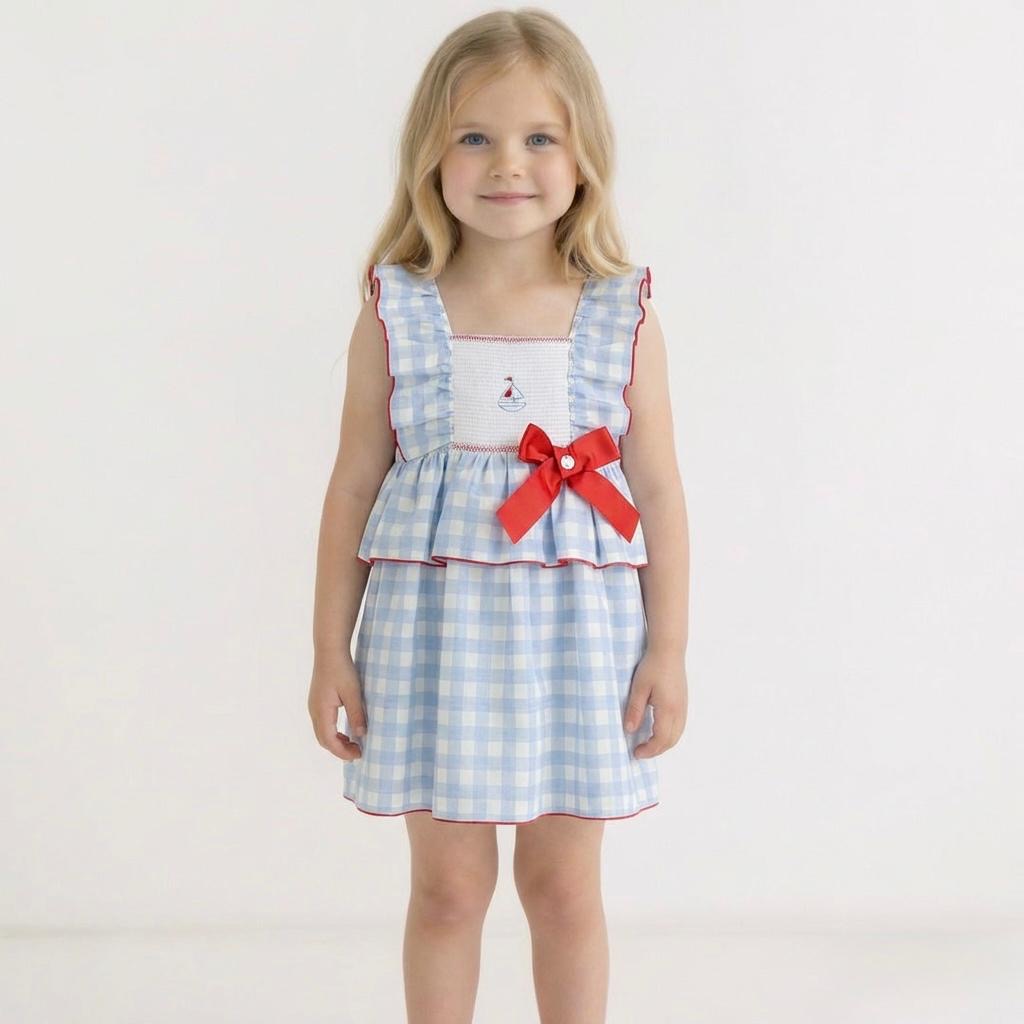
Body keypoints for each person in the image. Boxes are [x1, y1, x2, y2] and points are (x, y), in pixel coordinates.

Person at [309, 8, 689, 1022]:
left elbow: (657, 490)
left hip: (579, 649)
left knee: (562, 890)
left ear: (583, 156)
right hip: (431, 646)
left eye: (539, 137)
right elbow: (353, 483)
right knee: (447, 892)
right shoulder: (397, 310)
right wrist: (329, 650)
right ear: (429, 156)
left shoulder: (620, 313)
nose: (507, 163)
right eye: (474, 136)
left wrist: (668, 650)